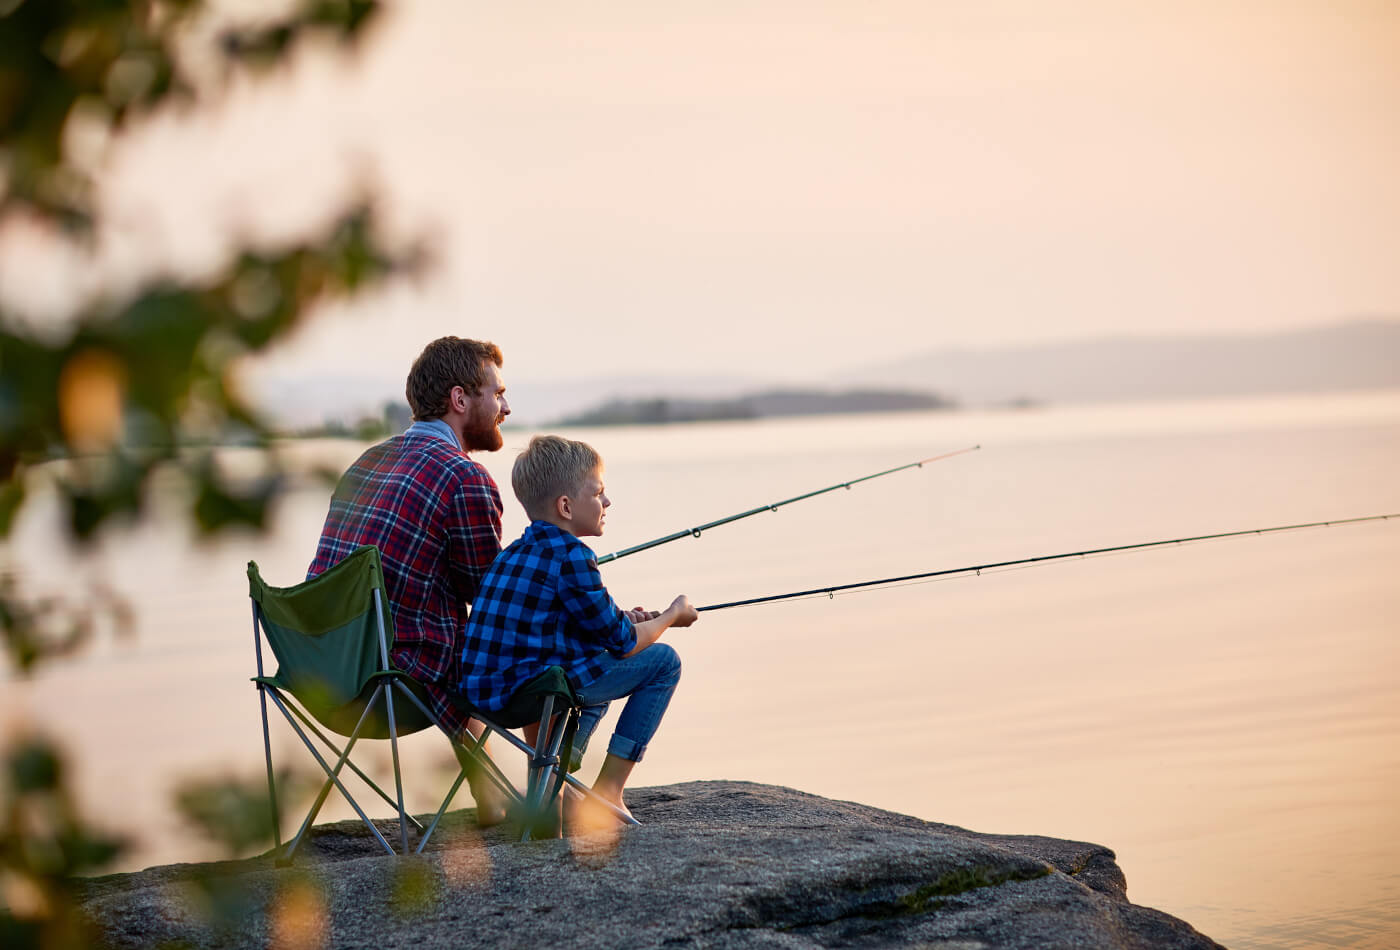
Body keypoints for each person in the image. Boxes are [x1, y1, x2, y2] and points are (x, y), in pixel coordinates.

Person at [307, 336, 512, 824]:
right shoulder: (465, 478)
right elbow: (489, 602)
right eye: (497, 393)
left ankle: (491, 796)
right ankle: (541, 799)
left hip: (320, 673)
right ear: (461, 400)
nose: (507, 406)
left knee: (443, 632)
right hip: (389, 686)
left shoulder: (366, 462)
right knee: (505, 636)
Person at [459, 435, 697, 827]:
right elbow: (622, 642)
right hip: (536, 693)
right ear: (566, 506)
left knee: (590, 659)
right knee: (663, 663)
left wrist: (626, 616)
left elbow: (563, 620)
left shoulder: (510, 555)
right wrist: (672, 615)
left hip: (485, 698)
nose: (607, 503)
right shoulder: (573, 556)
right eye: (599, 493)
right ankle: (607, 791)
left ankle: (557, 785)